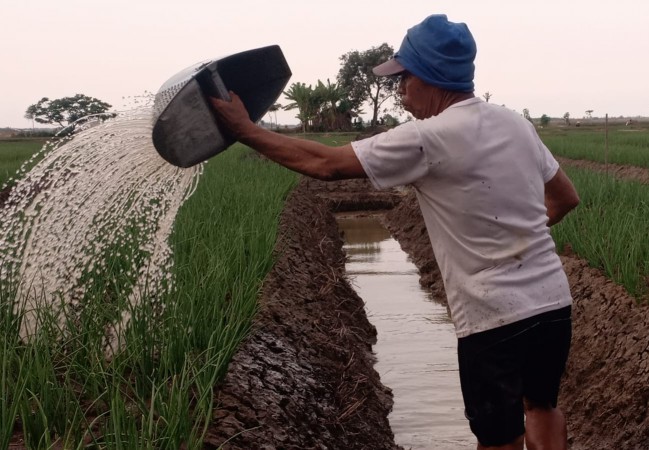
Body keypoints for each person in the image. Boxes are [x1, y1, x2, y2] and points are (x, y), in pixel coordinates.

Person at [210, 14, 580, 450]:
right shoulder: (515, 123)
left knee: (498, 436)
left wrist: (245, 131)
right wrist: (516, 237)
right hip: (553, 304)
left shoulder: (428, 137)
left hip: (492, 315)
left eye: (404, 78)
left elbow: (324, 165)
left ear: (430, 77)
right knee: (542, 407)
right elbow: (564, 198)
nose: (400, 90)